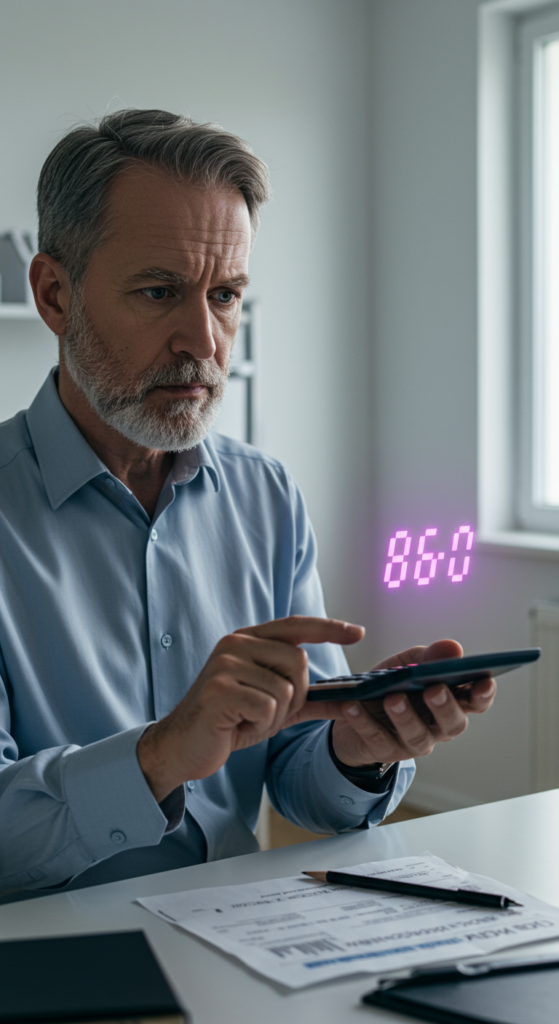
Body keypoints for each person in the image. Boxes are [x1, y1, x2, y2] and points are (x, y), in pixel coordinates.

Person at [0, 110, 496, 900]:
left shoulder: (265, 495)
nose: (202, 338)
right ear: (55, 295)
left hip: (239, 943)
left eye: (224, 294)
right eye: (159, 291)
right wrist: (160, 757)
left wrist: (355, 746)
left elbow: (302, 783)